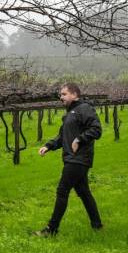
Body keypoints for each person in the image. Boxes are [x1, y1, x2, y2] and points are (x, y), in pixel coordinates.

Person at [35, 83, 103, 236]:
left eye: (64, 94)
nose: (61, 97)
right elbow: (62, 137)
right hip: (72, 159)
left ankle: (51, 229)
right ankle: (97, 225)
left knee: (62, 190)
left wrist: (79, 139)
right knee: (84, 192)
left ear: (74, 94)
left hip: (78, 159)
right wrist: (48, 146)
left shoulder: (84, 108)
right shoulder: (70, 114)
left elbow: (96, 129)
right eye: (61, 94)